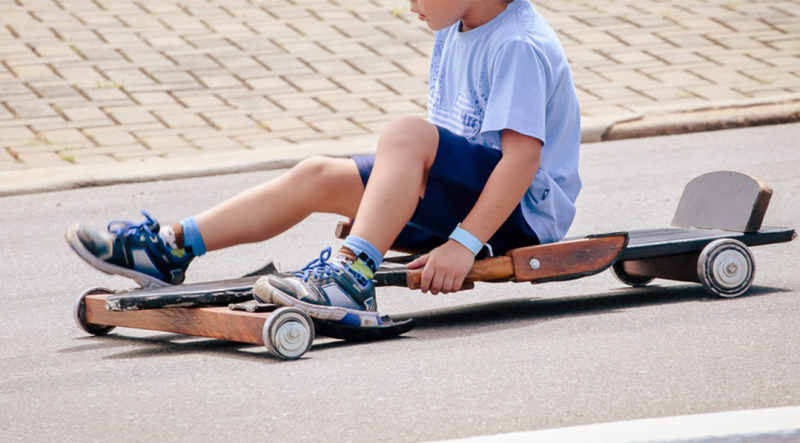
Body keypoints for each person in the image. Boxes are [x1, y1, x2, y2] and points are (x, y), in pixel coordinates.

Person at [67, 0, 581, 328]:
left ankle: (352, 278)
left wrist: (462, 245)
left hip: (520, 220)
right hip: (473, 202)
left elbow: (520, 160)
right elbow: (443, 155)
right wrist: (390, 210)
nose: (410, 4)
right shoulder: (455, 27)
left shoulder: (517, 43)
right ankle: (172, 249)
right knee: (318, 174)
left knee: (404, 133)